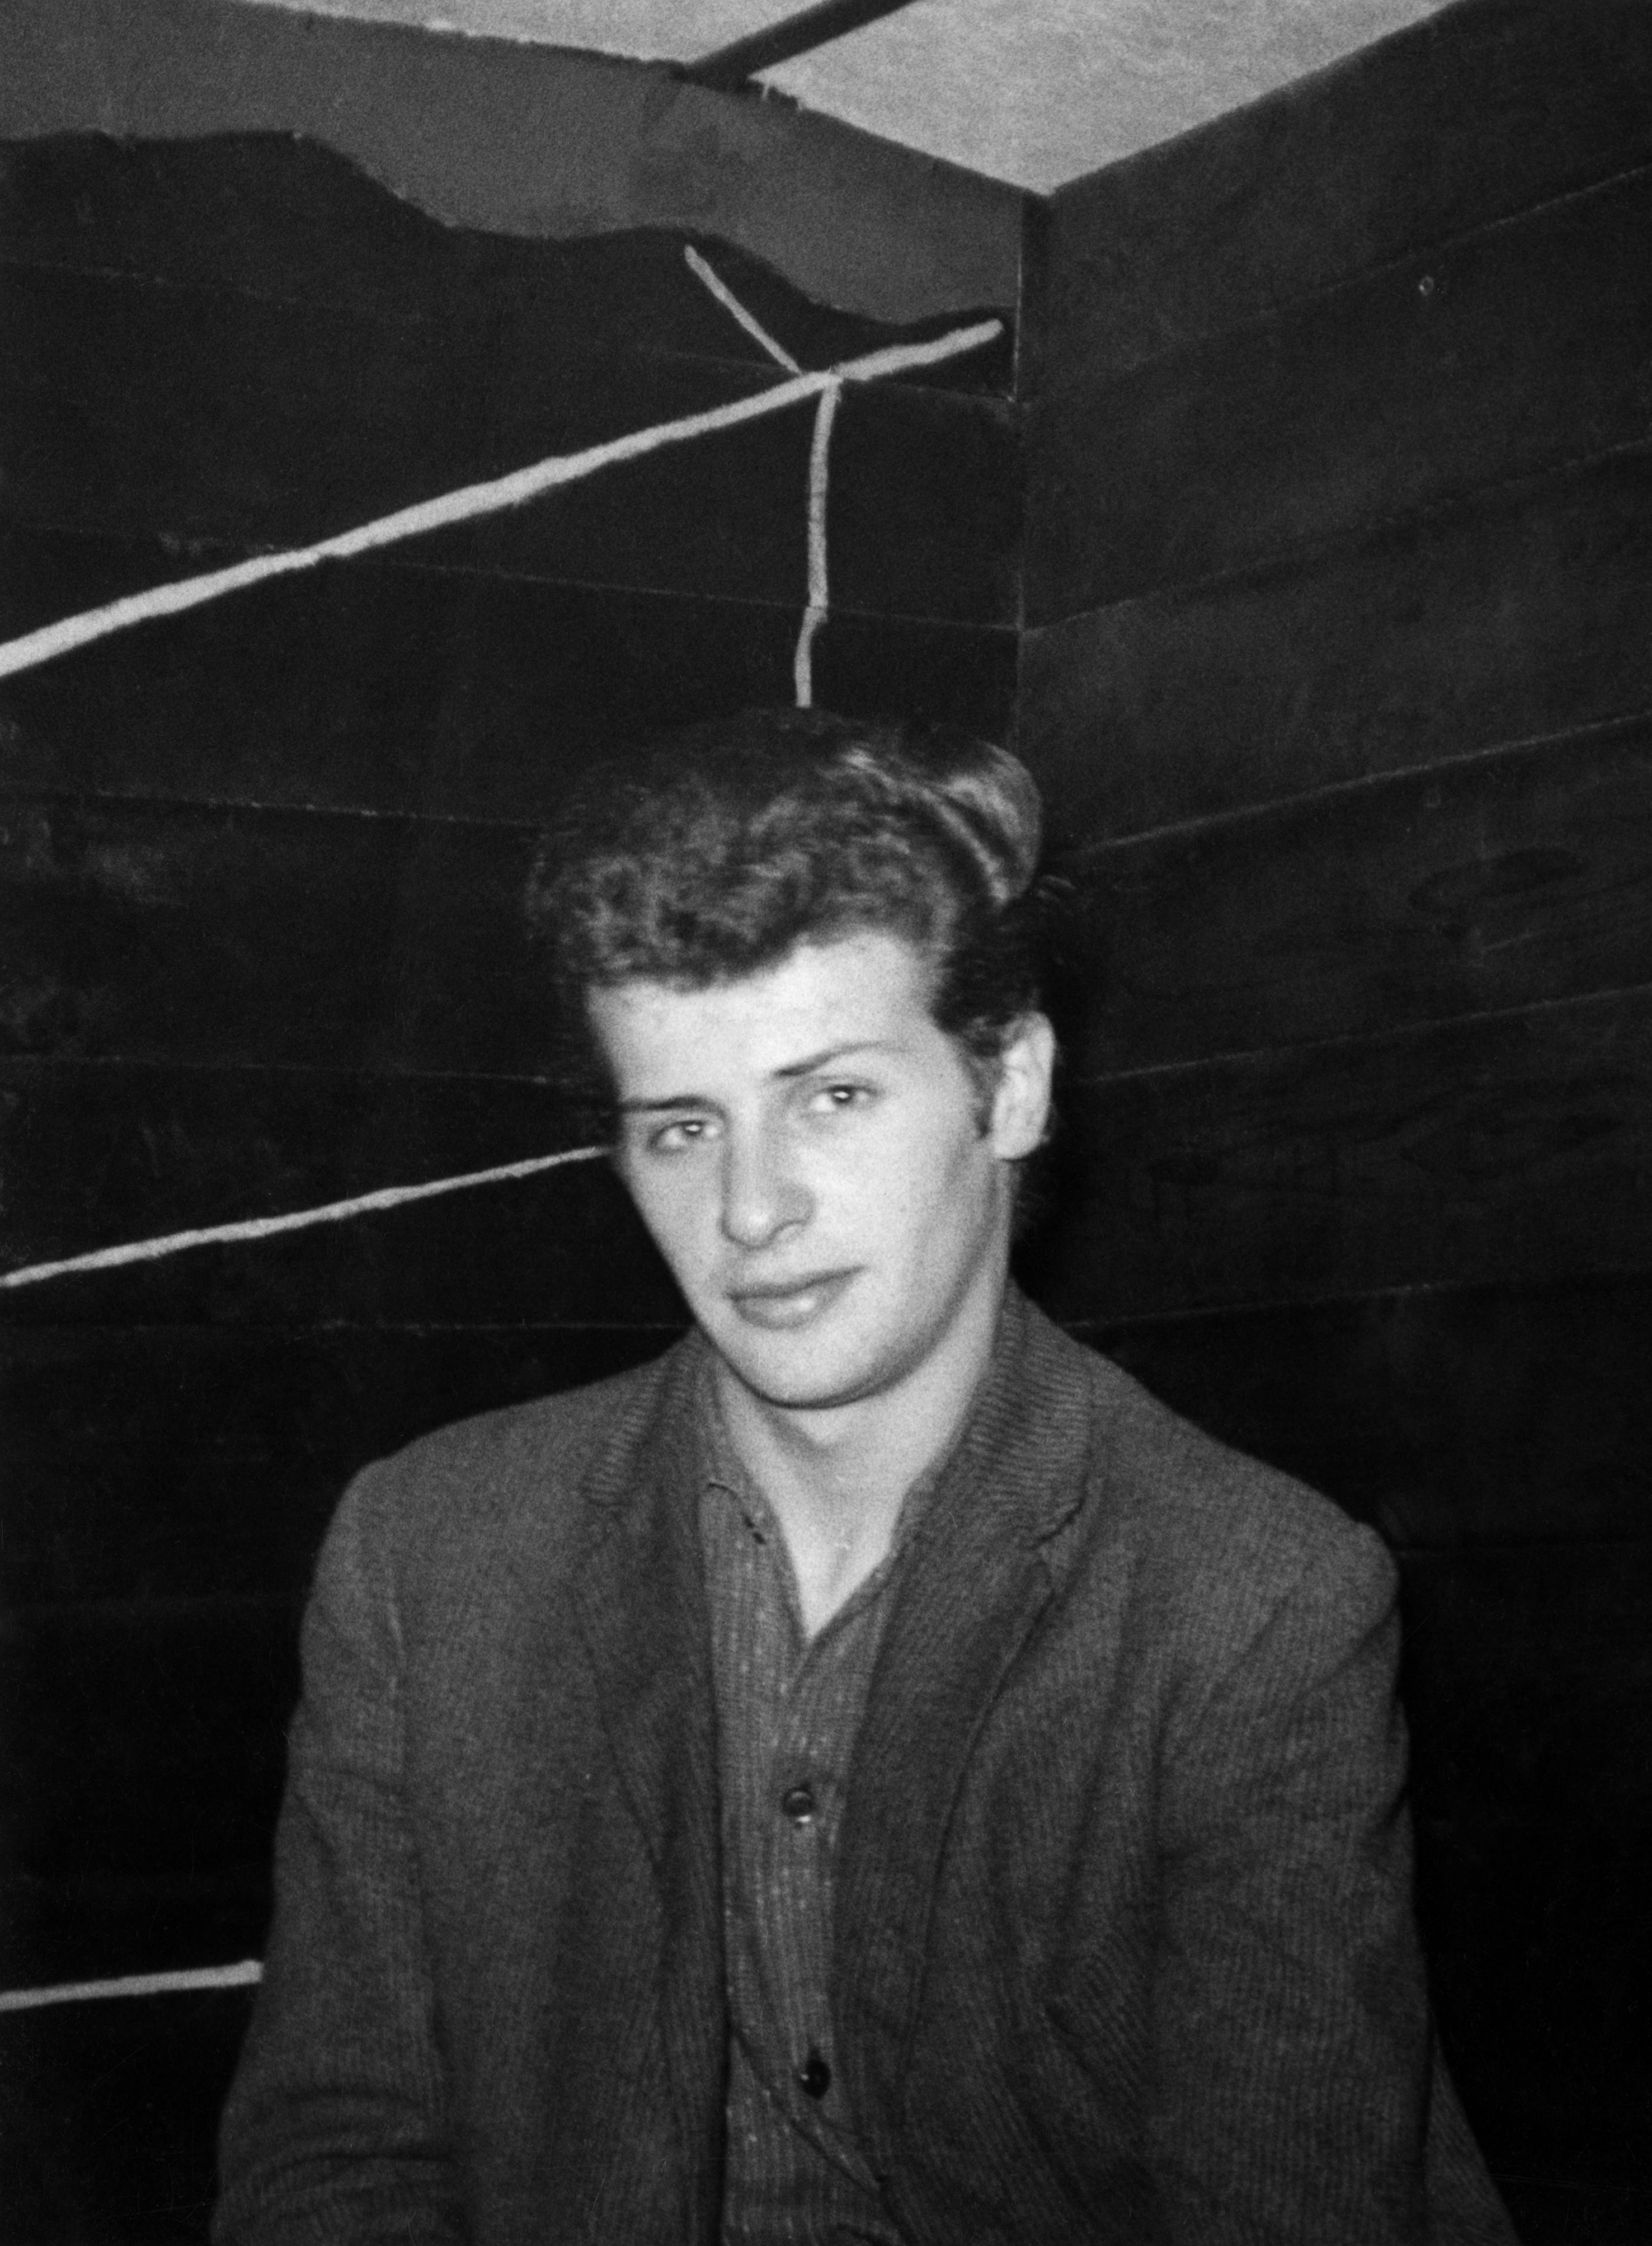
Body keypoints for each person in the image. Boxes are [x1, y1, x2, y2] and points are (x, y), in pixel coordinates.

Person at [214, 706, 1517, 2244]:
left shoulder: (1251, 1602)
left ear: (1009, 1089)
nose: (751, 1207)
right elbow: (340, 2160)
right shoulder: (429, 1554)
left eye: (831, 1096)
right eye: (682, 1128)